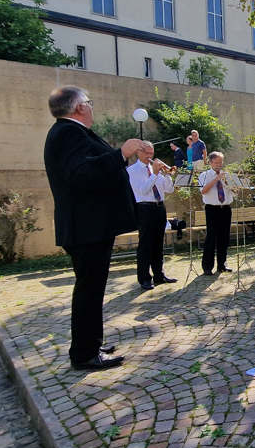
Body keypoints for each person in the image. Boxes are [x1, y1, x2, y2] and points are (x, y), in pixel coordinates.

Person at [43, 86, 144, 371]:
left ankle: (90, 342)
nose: (91, 106)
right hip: (86, 227)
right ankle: (85, 353)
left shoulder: (72, 132)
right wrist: (120, 154)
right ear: (78, 108)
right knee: (89, 290)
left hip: (90, 226)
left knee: (92, 288)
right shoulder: (68, 132)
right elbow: (81, 174)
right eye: (88, 102)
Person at [127, 143, 177, 290]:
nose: (150, 157)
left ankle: (159, 275)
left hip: (159, 207)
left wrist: (167, 175)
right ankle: (144, 278)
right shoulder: (133, 171)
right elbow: (142, 189)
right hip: (144, 208)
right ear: (139, 153)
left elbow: (169, 189)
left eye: (152, 153)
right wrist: (155, 174)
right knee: (146, 244)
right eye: (147, 153)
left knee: (158, 243)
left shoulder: (155, 170)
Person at [198, 151, 235, 275]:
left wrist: (233, 186)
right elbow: (203, 191)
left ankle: (222, 264)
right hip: (212, 208)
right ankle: (207, 266)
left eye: (221, 162)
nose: (219, 165)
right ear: (210, 162)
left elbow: (234, 191)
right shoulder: (204, 175)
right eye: (217, 162)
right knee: (211, 237)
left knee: (224, 237)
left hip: (225, 208)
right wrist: (216, 179)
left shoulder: (227, 175)